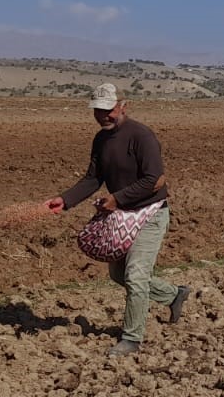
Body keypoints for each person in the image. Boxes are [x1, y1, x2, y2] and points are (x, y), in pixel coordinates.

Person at [43, 83, 189, 356]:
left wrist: (117, 198)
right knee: (118, 274)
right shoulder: (101, 140)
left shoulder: (141, 136)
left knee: (135, 276)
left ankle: (131, 339)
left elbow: (154, 180)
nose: (103, 116)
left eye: (108, 110)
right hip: (122, 213)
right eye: (98, 111)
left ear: (123, 106)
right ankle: (174, 295)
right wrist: (66, 200)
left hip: (150, 212)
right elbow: (93, 178)